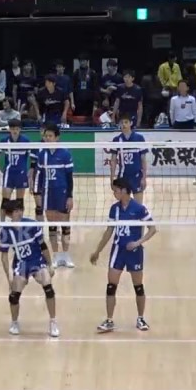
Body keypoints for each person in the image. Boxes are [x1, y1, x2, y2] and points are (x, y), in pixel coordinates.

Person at [89, 177, 156, 332]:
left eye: (116, 191)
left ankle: (140, 318)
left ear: (124, 190)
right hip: (118, 251)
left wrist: (138, 242)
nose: (114, 194)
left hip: (134, 252)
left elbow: (152, 229)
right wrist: (97, 251)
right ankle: (109, 320)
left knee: (138, 286)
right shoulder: (114, 209)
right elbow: (109, 231)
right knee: (111, 286)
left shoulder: (139, 208)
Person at [0, 199, 59, 337]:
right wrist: (9, 279)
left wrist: (50, 265)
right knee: (14, 296)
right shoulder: (6, 231)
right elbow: (4, 257)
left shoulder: (32, 224)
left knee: (48, 288)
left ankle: (53, 321)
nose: (19, 213)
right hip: (21, 263)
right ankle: (14, 322)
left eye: (21, 210)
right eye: (16, 211)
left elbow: (43, 246)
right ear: (9, 214)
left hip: (37, 260)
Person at [34, 123, 75, 268]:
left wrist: (70, 196)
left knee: (65, 225)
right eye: (46, 136)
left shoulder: (65, 153)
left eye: (50, 136)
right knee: (52, 226)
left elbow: (70, 177)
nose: (47, 138)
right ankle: (56, 256)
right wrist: (36, 193)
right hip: (48, 194)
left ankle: (66, 255)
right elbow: (38, 176)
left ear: (57, 137)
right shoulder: (42, 155)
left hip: (63, 193)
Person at [0, 119, 33, 219]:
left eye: (17, 129)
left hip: (21, 173)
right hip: (9, 173)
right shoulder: (4, 141)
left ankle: (18, 222)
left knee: (20, 201)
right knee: (5, 201)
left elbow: (32, 156)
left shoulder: (26, 141)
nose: (15, 131)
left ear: (20, 129)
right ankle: (2, 225)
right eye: (12, 129)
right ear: (9, 130)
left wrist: (30, 169)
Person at [105, 115, 148, 198]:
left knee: (138, 206)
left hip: (137, 176)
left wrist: (144, 178)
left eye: (126, 122)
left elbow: (143, 160)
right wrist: (112, 179)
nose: (123, 125)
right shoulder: (117, 140)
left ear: (131, 123)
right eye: (121, 123)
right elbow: (113, 161)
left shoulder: (139, 138)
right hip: (123, 176)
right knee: (123, 205)